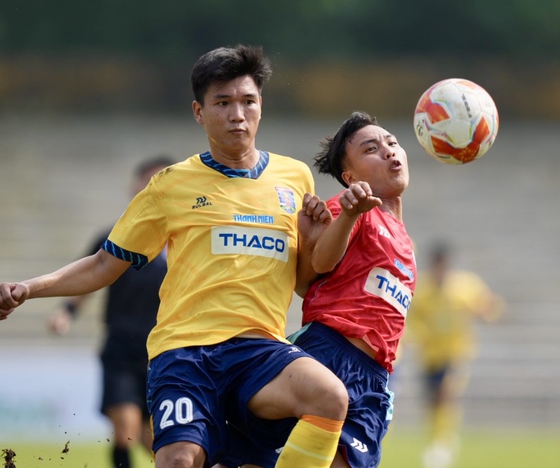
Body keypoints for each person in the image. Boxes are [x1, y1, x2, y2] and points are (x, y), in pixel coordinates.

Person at [0, 44, 349, 468]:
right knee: (180, 460)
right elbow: (103, 264)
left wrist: (318, 235)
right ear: (199, 112)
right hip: (186, 353)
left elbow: (304, 280)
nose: (237, 113)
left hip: (260, 352)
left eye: (247, 101)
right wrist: (29, 289)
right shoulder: (170, 184)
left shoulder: (294, 177)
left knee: (329, 397)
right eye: (222, 103)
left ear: (261, 106)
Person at [220, 111, 416, 468]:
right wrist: (348, 216)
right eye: (371, 148)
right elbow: (317, 268)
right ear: (350, 176)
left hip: (373, 378)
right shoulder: (351, 209)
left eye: (392, 142)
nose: (389, 151)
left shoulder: (405, 239)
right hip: (328, 352)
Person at [47, 156, 174, 468]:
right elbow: (87, 278)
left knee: (154, 442)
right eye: (148, 181)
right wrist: (65, 312)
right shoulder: (113, 239)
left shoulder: (182, 243)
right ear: (135, 188)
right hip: (121, 348)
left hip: (163, 351)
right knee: (125, 430)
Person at [408, 242, 504, 468]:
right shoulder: (422, 290)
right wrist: (418, 336)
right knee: (433, 402)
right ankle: (438, 439)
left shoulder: (465, 286)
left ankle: (442, 444)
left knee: (446, 394)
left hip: (456, 353)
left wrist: (489, 312)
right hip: (430, 355)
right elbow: (412, 319)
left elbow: (490, 305)